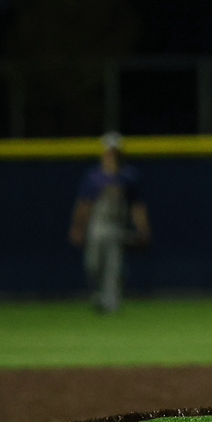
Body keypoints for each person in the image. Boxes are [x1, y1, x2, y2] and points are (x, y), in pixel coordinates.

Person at [68, 132, 150, 313]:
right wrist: (78, 227)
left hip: (117, 225)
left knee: (114, 266)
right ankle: (99, 294)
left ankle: (111, 302)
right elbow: (84, 204)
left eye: (116, 151)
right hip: (97, 225)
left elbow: (137, 206)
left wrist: (143, 228)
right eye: (110, 151)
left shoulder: (129, 176)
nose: (113, 155)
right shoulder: (94, 176)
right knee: (93, 264)